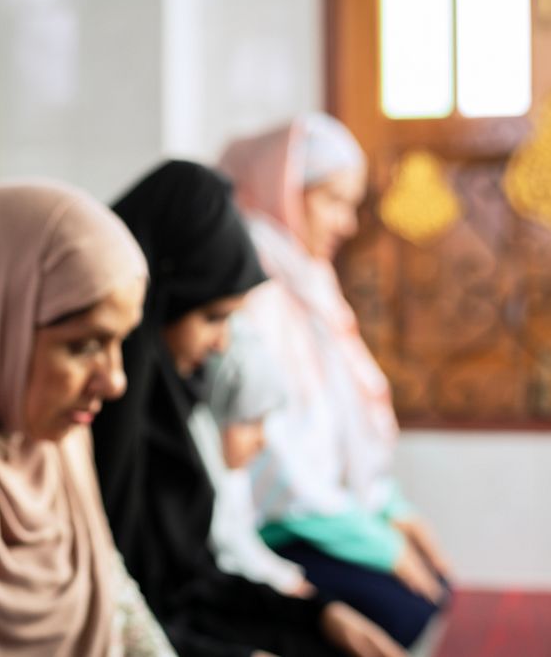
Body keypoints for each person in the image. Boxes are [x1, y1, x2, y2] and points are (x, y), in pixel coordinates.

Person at [93, 160, 406, 657]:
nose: (222, 345)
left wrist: (322, 613)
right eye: (213, 316)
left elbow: (192, 583)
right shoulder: (100, 420)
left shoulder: (172, 407)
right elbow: (115, 613)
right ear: (162, 297)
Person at [0, 180, 176, 657]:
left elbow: (118, 600)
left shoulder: (58, 444)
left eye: (121, 343)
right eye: (84, 345)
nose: (115, 382)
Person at [218, 113, 451, 647]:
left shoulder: (305, 279)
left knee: (430, 587)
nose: (347, 223)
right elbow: (270, 449)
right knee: (405, 604)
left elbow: (332, 420)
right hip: (272, 524)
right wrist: (375, 542)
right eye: (331, 200)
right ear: (281, 191)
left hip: (316, 514)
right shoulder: (253, 285)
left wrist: (390, 508)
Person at [188, 315, 315, 597]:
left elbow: (245, 542)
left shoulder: (232, 477)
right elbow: (228, 547)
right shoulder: (197, 480)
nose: (262, 439)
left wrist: (287, 579)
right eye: (248, 422)